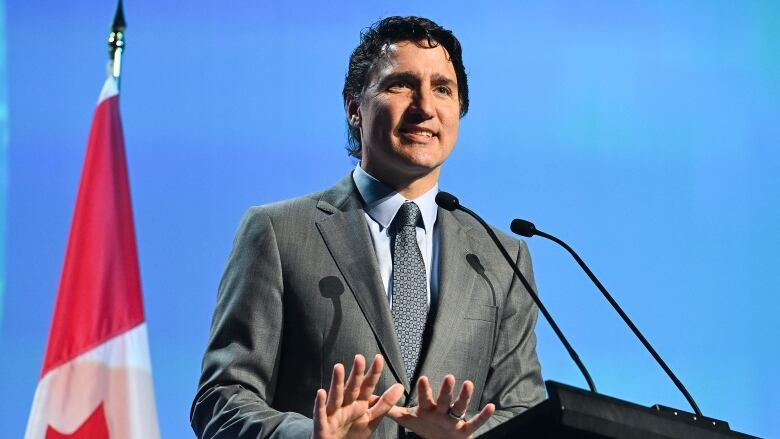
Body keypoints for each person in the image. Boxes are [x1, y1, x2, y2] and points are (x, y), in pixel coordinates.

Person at [191, 16, 544, 439]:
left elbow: (522, 412)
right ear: (354, 107)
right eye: (401, 85)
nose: (425, 107)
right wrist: (312, 437)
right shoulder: (277, 233)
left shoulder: (502, 258)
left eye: (442, 89)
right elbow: (221, 398)